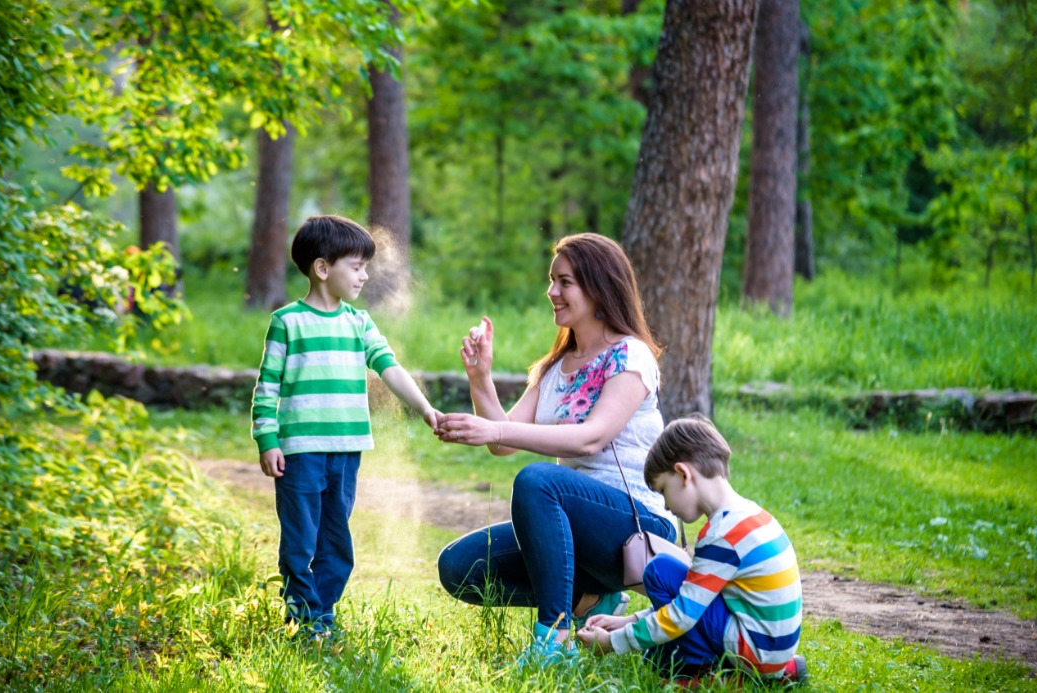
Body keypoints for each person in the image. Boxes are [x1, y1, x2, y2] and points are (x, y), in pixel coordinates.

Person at [433, 233, 677, 664]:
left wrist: (495, 432)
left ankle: (554, 641)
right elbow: (503, 439)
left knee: (539, 481)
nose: (552, 292)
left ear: (598, 287)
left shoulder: (630, 356)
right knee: (459, 568)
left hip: (636, 525)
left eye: (564, 282)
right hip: (570, 527)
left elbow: (591, 437)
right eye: (551, 281)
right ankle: (587, 598)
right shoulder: (554, 368)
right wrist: (479, 378)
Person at [251, 214, 440, 636]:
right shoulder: (287, 322)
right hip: (299, 452)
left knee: (336, 544)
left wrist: (425, 409)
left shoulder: (359, 323)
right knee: (300, 542)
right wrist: (267, 439)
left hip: (346, 451)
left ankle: (321, 614)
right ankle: (305, 617)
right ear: (322, 269)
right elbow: (267, 387)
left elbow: (390, 368)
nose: (364, 275)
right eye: (356, 267)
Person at [575, 416, 807, 686]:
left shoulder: (721, 534)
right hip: (773, 651)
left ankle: (712, 677)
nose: (666, 506)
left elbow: (683, 614)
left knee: (660, 574)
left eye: (664, 490)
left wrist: (614, 642)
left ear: (684, 474)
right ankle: (783, 671)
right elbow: (698, 597)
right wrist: (629, 621)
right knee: (656, 654)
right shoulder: (751, 514)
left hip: (756, 655)